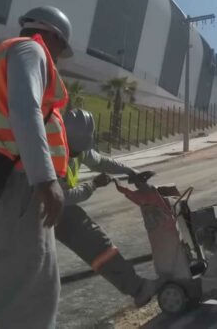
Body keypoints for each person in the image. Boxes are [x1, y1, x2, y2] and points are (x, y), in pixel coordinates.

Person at [0, 6, 74, 329]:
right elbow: (25, 109)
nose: (59, 58)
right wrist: (46, 180)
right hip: (15, 189)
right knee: (33, 296)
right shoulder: (31, 50)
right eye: (61, 48)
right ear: (51, 36)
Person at [57, 109, 156, 307]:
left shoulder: (78, 144)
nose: (76, 154)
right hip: (36, 209)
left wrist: (130, 171)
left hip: (58, 208)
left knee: (96, 244)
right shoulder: (52, 151)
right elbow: (62, 197)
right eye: (74, 150)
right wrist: (93, 185)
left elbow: (100, 161)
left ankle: (137, 288)